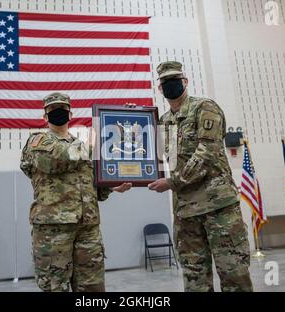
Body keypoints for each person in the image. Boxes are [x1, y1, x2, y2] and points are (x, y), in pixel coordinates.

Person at [148, 61, 253, 292]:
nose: (170, 85)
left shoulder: (205, 108)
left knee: (234, 275)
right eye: (165, 82)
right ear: (160, 89)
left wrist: (172, 182)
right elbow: (160, 158)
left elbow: (207, 153)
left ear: (185, 82)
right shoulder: (164, 122)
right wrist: (132, 119)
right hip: (186, 213)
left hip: (219, 209)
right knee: (195, 281)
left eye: (175, 80)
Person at [20, 92, 132, 292]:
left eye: (63, 109)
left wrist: (111, 186)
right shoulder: (38, 141)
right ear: (45, 117)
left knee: (92, 288)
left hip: (88, 228)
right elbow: (56, 160)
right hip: (54, 230)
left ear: (70, 114)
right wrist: (95, 144)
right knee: (55, 287)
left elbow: (93, 190)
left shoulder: (83, 148)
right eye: (53, 110)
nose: (58, 113)